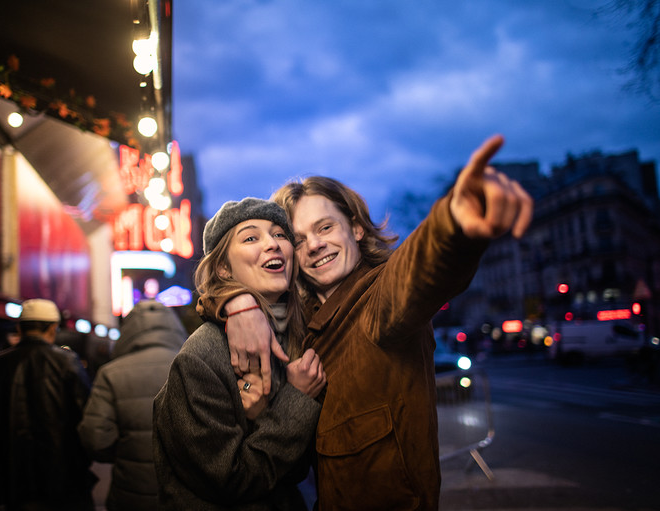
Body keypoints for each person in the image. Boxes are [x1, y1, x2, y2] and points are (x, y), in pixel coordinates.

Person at [215, 135, 534, 510]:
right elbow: (220, 274)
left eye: (325, 228)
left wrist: (454, 222)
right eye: (298, 240)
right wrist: (236, 303)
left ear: (357, 228)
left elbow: (418, 269)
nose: (314, 245)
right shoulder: (303, 323)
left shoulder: (378, 298)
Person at [152, 198, 327, 510]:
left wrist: (263, 416)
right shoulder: (200, 357)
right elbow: (230, 480)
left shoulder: (296, 334)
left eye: (279, 235)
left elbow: (296, 468)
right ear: (223, 267)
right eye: (251, 237)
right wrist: (296, 399)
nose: (272, 244)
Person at [0, 298, 97, 511]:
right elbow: (87, 418)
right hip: (63, 479)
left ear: (20, 328)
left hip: (9, 482)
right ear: (53, 328)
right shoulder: (67, 362)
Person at [78, 299, 187, 510]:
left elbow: (95, 439)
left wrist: (126, 452)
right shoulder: (193, 365)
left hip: (130, 494)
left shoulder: (111, 373)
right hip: (184, 494)